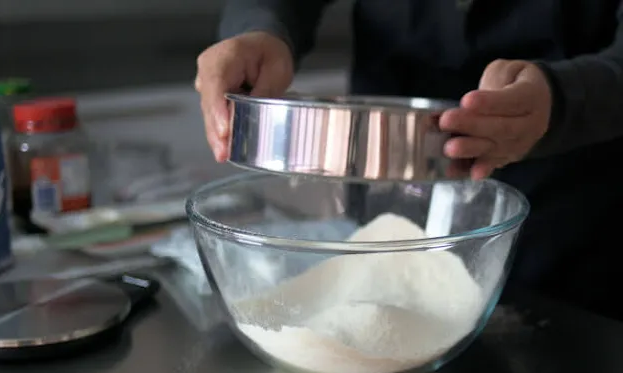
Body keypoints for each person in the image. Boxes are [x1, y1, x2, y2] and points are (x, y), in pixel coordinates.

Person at [195, 0, 623, 320]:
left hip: (571, 200)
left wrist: (566, 97)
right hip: (382, 170)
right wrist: (260, 28)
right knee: (378, 308)